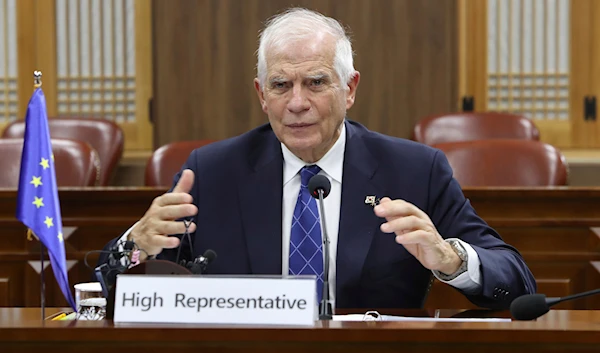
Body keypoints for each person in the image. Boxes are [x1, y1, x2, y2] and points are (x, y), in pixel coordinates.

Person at [99, 7, 536, 309]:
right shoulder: (212, 173)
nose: (297, 103)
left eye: (315, 82)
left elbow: (515, 280)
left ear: (349, 89)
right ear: (261, 95)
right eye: (281, 86)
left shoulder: (414, 170)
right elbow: (111, 289)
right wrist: (133, 247)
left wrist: (451, 258)